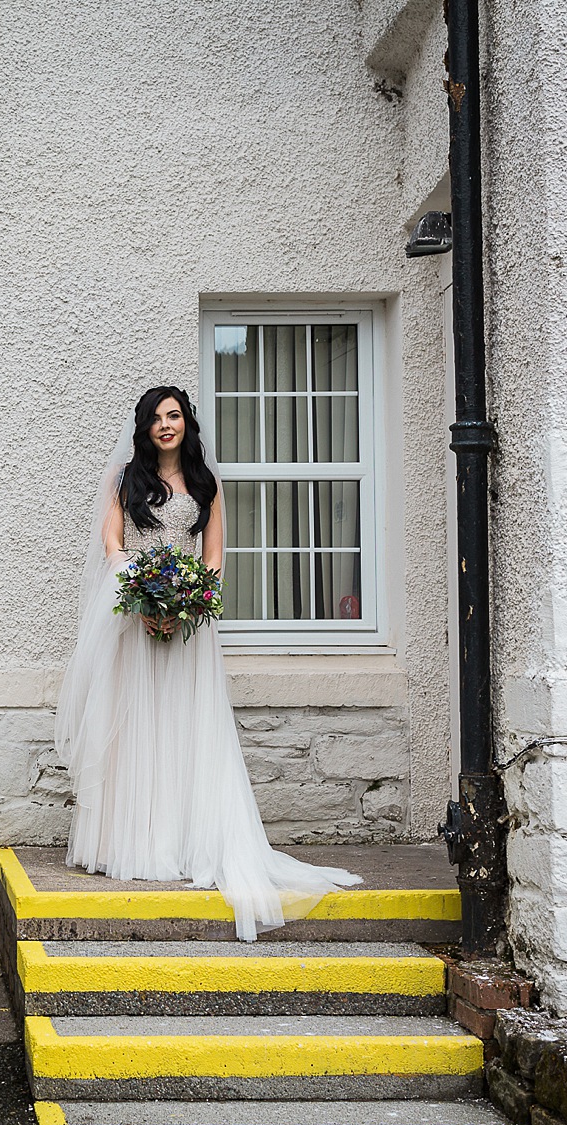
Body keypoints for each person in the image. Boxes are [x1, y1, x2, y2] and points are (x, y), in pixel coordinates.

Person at [56, 385, 360, 940]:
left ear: (186, 423)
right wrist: (143, 599)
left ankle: (186, 841)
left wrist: (186, 605)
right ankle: (133, 843)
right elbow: (113, 543)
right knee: (136, 730)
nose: (165, 425)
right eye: (156, 418)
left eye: (174, 416)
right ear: (144, 427)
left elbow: (215, 558)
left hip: (190, 627)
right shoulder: (128, 481)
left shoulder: (206, 483)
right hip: (134, 620)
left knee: (187, 730)